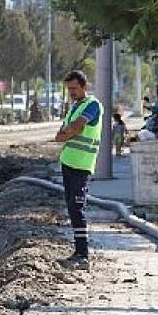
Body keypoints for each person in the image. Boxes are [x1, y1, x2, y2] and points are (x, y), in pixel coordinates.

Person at [54, 70, 103, 268]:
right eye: (69, 89)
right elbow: (64, 129)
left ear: (85, 86)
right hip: (69, 163)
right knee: (73, 209)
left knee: (77, 207)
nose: (71, 92)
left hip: (82, 165)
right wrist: (64, 133)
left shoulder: (92, 105)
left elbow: (77, 128)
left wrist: (66, 134)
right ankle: (78, 251)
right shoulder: (75, 106)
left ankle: (83, 254)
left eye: (74, 88)